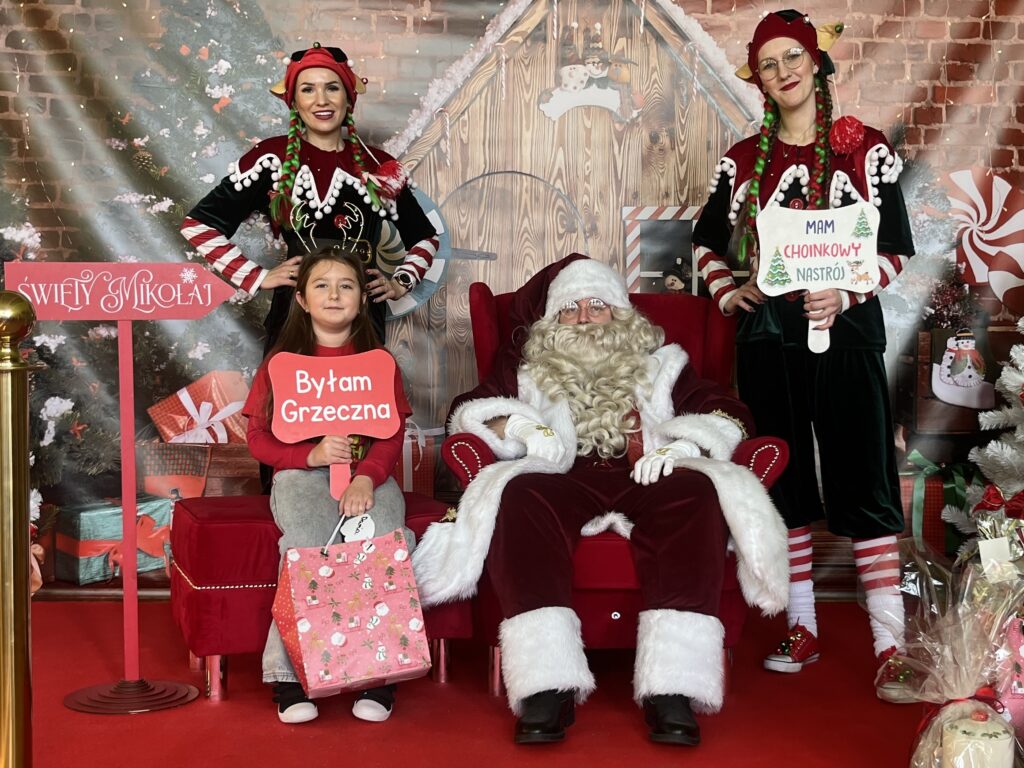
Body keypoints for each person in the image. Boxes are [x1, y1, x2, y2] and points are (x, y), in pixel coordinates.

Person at [412, 257, 788, 746]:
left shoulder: (664, 364)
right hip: (564, 475)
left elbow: (725, 412)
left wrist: (682, 447)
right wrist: (521, 425)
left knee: (696, 492)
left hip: (646, 471)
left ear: (620, 314)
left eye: (597, 306)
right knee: (519, 493)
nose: (585, 318)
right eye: (570, 309)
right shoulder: (528, 369)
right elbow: (470, 412)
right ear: (553, 320)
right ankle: (547, 684)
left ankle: (673, 687)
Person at [691, 10, 915, 702]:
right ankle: (802, 626)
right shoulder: (742, 160)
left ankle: (889, 645)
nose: (783, 71)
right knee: (782, 478)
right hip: (770, 340)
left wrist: (846, 294)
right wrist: (730, 291)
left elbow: (897, 247)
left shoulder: (864, 148)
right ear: (757, 79)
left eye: (793, 56)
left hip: (848, 335)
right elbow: (704, 241)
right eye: (769, 63)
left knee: (865, 475)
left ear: (816, 62)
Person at [243, 246, 413, 724]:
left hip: (369, 474)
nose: (334, 295)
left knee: (383, 538)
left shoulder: (380, 363)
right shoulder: (280, 364)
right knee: (306, 544)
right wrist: (308, 456)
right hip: (300, 474)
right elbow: (257, 438)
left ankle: (379, 674)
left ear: (361, 299)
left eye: (346, 286)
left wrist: (367, 478)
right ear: (301, 299)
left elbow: (391, 432)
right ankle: (290, 677)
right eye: (321, 285)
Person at [180, 42, 439, 348]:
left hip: (362, 317)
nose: (321, 100)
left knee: (360, 379)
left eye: (332, 88)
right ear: (294, 101)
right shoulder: (271, 159)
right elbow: (199, 225)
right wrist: (257, 276)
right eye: (308, 90)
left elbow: (425, 237)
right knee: (288, 378)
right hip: (294, 313)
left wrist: (400, 282)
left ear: (348, 97)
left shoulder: (378, 165)